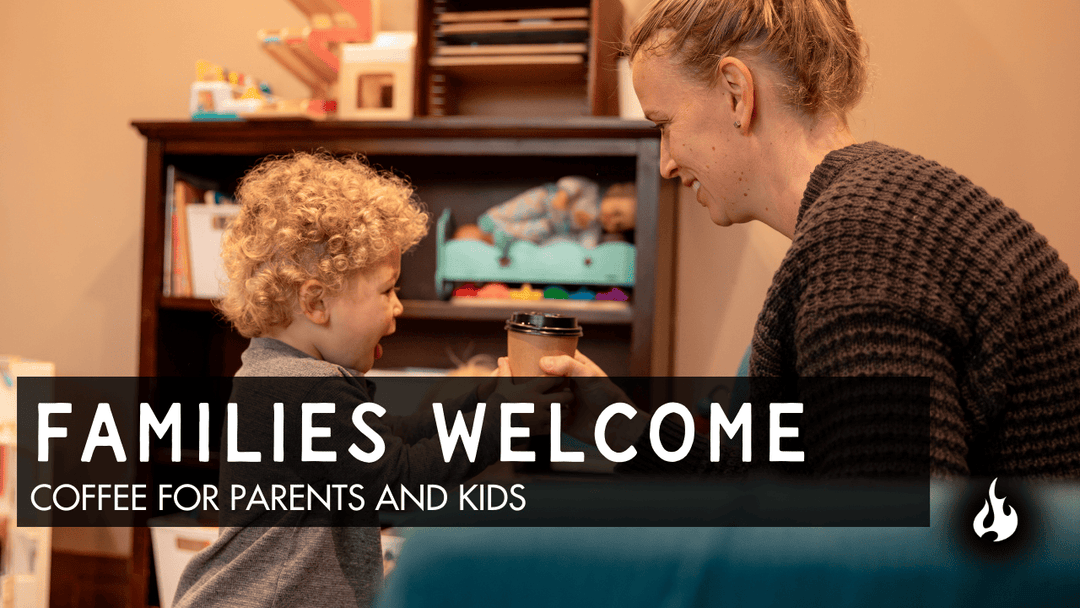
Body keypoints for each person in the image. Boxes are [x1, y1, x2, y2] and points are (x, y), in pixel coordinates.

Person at [541, 0, 1080, 478]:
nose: (665, 163)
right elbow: (767, 477)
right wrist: (618, 426)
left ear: (736, 94)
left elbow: (888, 559)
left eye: (664, 124)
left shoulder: (863, 241)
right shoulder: (874, 210)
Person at [172, 151, 567, 608]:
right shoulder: (304, 389)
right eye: (387, 290)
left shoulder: (276, 370)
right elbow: (394, 484)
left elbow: (394, 441)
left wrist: (487, 399)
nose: (398, 307)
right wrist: (504, 423)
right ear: (316, 303)